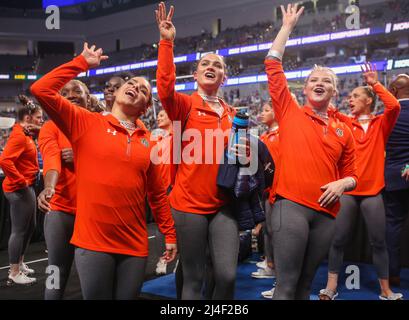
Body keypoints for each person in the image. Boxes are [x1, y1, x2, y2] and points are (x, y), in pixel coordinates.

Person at [31, 42, 177, 300]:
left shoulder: (150, 142)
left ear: (145, 107)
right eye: (131, 83)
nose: (136, 87)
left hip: (134, 245)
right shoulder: (86, 122)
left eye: (144, 90)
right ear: (118, 91)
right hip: (93, 243)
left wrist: (170, 234)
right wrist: (81, 63)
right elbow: (40, 89)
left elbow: (156, 194)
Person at [265, 3, 358, 300]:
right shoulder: (288, 110)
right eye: (313, 80)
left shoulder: (344, 130)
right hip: (290, 206)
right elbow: (272, 63)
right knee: (287, 285)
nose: (320, 83)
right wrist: (287, 28)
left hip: (327, 214)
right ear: (304, 89)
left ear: (335, 92)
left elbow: (353, 174)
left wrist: (343, 182)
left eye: (326, 82)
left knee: (306, 286)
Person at [156, 2, 240, 299]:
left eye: (217, 65)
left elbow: (242, 161)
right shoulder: (185, 105)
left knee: (228, 276)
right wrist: (167, 42)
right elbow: (164, 88)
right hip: (189, 205)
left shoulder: (233, 114)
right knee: (193, 276)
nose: (211, 67)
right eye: (205, 64)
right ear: (195, 75)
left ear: (224, 77)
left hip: (224, 206)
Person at [319, 63, 402, 300]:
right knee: (338, 241)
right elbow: (326, 107)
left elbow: (394, 105)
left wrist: (375, 83)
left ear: (368, 100)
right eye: (349, 96)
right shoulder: (345, 121)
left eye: (356, 95)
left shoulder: (381, 124)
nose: (350, 98)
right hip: (347, 192)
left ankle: (386, 290)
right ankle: (331, 287)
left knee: (379, 242)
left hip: (373, 193)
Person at [37, 79, 91, 299]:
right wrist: (48, 187)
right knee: (55, 273)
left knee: (93, 280)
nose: (70, 95)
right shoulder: (50, 127)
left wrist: (80, 157)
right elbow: (51, 160)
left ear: (88, 96)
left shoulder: (100, 124)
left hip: (93, 215)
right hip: (60, 211)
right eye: (64, 92)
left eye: (76, 91)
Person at [0, 102, 43, 286]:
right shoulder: (18, 135)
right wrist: (21, 181)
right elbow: (5, 161)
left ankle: (20, 262)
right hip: (19, 189)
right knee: (19, 230)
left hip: (27, 187)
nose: (41, 121)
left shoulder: (25, 133)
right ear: (28, 118)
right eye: (38, 118)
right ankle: (13, 271)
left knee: (30, 226)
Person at [384, 74, 409, 287]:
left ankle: (393, 274)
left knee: (393, 226)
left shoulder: (389, 114)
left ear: (393, 91)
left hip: (393, 178)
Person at [253, 101, 279, 299]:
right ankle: (271, 266)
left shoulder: (284, 134)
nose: (262, 114)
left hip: (280, 191)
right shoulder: (263, 137)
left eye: (266, 110)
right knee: (270, 231)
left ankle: (281, 280)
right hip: (266, 190)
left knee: (278, 235)